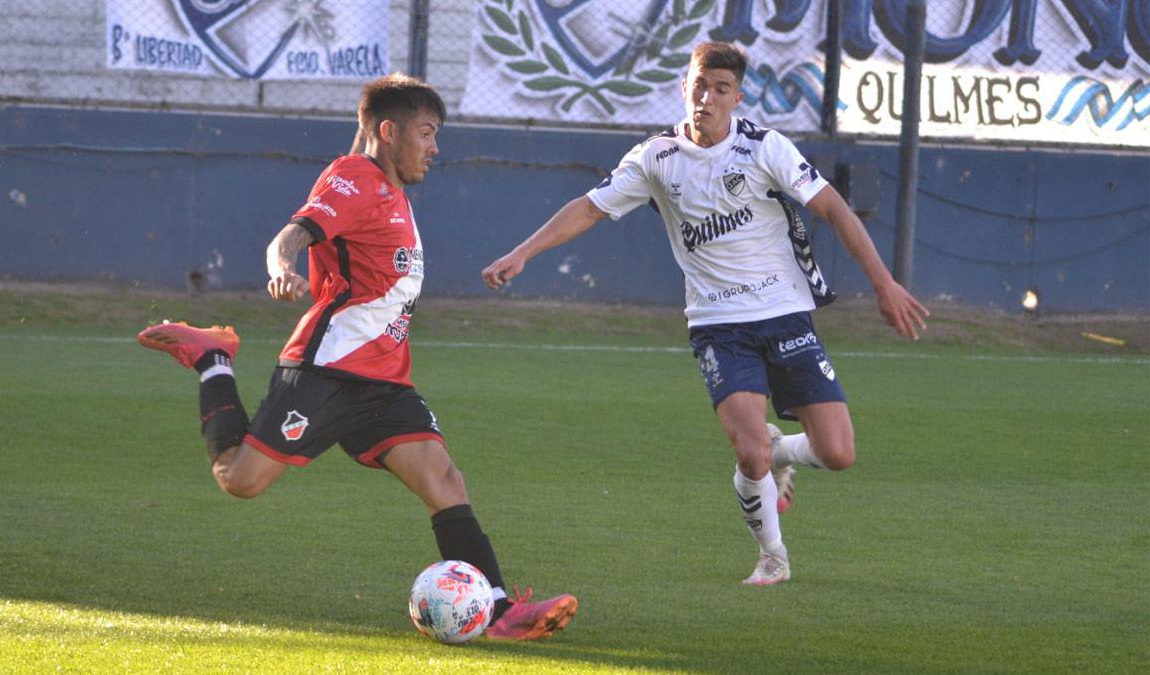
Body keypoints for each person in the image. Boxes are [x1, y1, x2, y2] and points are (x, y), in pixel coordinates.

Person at [138, 73, 577, 638]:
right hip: (326, 371)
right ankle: (213, 360)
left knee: (444, 479)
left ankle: (497, 610)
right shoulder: (356, 179)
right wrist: (282, 269)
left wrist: (369, 119)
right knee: (239, 481)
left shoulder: (386, 184)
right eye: (427, 133)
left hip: (386, 379)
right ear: (390, 132)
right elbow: (290, 235)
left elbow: (362, 144)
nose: (435, 147)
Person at [481, 42, 929, 586]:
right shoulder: (656, 158)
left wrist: (884, 285)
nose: (707, 98)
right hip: (718, 325)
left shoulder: (766, 149)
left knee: (838, 454)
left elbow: (833, 207)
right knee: (749, 453)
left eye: (720, 89)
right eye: (699, 85)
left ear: (737, 97)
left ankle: (781, 450)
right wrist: (522, 252)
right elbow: (588, 208)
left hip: (785, 312)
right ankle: (773, 557)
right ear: (684, 87)